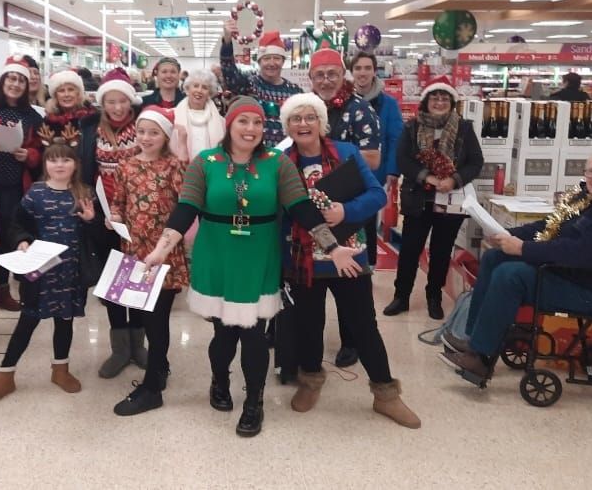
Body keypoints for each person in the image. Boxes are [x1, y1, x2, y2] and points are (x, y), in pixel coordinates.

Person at [139, 96, 362, 437]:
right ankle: (219, 380)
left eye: (257, 122)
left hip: (258, 256)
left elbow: (302, 208)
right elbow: (185, 209)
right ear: (229, 125)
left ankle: (254, 401)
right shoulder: (205, 162)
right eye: (243, 121)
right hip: (216, 255)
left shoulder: (277, 163)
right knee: (223, 333)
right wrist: (160, 250)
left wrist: (332, 247)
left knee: (255, 334)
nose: (251, 128)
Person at [440, 149, 592, 381]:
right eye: (591, 171)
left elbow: (582, 252)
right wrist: (506, 235)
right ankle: (474, 340)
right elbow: (548, 226)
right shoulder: (590, 198)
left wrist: (523, 249)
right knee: (495, 257)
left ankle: (480, 359)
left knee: (511, 275)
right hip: (579, 276)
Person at [279, 93, 421, 428]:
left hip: (350, 256)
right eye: (296, 118)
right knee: (308, 325)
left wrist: (346, 210)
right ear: (288, 126)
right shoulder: (281, 162)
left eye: (310, 117)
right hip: (302, 259)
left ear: (321, 122)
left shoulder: (346, 153)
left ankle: (386, 393)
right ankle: (310, 381)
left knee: (363, 325)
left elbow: (377, 195)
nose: (303, 124)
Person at [0, 142, 99, 404]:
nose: (60, 165)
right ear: (45, 165)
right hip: (41, 273)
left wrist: (91, 221)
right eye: (53, 160)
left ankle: (60, 370)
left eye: (66, 160)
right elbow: (16, 224)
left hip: (71, 273)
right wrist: (22, 240)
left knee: (64, 321)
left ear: (75, 165)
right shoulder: (36, 193)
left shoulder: (85, 193)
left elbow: (97, 235)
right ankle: (5, 374)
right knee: (27, 321)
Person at [110, 106, 190, 416]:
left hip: (164, 254)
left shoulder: (174, 166)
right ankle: (160, 366)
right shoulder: (126, 166)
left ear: (165, 136)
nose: (146, 137)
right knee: (145, 315)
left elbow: (187, 202)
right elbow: (118, 203)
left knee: (157, 320)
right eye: (141, 131)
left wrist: (183, 149)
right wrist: (114, 218)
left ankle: (153, 387)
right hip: (135, 253)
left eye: (154, 132)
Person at [382, 77, 484, 320]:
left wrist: (454, 180)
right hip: (418, 198)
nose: (439, 102)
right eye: (435, 98)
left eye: (444, 98)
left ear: (452, 102)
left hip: (451, 201)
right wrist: (427, 177)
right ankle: (401, 296)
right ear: (426, 101)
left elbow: (475, 162)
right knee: (409, 250)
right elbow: (403, 159)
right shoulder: (412, 127)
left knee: (441, 251)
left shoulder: (464, 128)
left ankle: (434, 297)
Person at [308, 46, 382, 368]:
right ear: (311, 78)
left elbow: (373, 158)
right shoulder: (305, 107)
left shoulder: (360, 109)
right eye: (320, 75)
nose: (326, 80)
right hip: (312, 208)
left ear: (343, 75)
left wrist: (326, 158)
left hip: (351, 205)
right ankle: (304, 346)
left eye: (332, 74)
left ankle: (351, 341)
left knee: (349, 278)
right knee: (312, 278)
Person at [77, 67, 147, 378]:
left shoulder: (144, 125)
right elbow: (85, 172)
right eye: (111, 101)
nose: (117, 107)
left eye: (122, 101)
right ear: (102, 103)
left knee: (139, 279)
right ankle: (120, 349)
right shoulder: (91, 130)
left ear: (131, 101)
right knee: (113, 281)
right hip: (104, 217)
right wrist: (92, 210)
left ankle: (139, 344)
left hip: (141, 214)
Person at [0, 56, 44, 320]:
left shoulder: (32, 116)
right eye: (12, 78)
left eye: (21, 80)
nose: (15, 84)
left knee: (6, 238)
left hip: (13, 186)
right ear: (3, 79)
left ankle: (2, 290)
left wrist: (29, 155)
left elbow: (39, 150)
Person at [350, 51, 403, 265]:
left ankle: (368, 264)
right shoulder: (342, 100)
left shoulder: (388, 104)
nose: (362, 73)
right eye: (358, 68)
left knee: (368, 220)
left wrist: (392, 170)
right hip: (345, 172)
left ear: (374, 72)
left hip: (374, 172)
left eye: (367, 68)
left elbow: (395, 138)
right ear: (351, 72)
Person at [220, 25, 302, 147]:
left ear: (283, 61)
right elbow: (229, 73)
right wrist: (227, 42)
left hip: (286, 154)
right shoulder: (249, 85)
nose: (272, 63)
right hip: (253, 152)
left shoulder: (295, 92)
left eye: (277, 58)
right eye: (267, 58)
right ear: (259, 62)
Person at [171, 68, 225, 162]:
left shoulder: (221, 122)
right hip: (180, 168)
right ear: (188, 89)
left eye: (204, 87)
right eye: (195, 86)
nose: (199, 90)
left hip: (210, 167)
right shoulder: (172, 116)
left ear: (210, 93)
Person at [38, 70, 97, 145]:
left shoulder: (91, 117)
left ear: (78, 93)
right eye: (61, 91)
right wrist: (49, 143)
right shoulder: (49, 120)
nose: (66, 94)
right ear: (55, 95)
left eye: (71, 90)